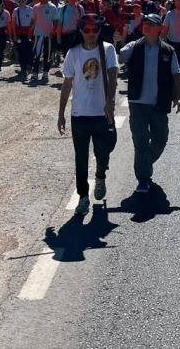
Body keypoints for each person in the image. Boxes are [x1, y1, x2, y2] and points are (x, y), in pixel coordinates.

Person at [57, 14, 118, 215]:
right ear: (81, 31)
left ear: (99, 31)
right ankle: (83, 197)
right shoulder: (73, 53)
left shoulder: (107, 50)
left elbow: (112, 76)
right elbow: (66, 85)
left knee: (102, 153)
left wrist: (109, 103)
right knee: (80, 158)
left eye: (95, 30)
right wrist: (61, 114)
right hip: (79, 114)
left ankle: (100, 176)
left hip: (101, 114)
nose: (91, 34)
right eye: (87, 30)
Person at [116, 14, 180, 193]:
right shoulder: (133, 46)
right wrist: (117, 42)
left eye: (151, 24)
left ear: (159, 29)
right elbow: (120, 59)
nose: (146, 26)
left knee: (160, 140)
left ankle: (143, 163)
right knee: (141, 141)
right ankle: (143, 178)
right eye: (145, 23)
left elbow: (177, 75)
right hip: (137, 102)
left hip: (159, 103)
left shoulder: (168, 51)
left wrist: (178, 95)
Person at [32, 0, 56, 80]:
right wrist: (30, 32)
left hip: (49, 35)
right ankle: (35, 72)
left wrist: (54, 31)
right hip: (38, 34)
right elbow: (33, 20)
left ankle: (45, 72)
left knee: (48, 54)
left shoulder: (52, 7)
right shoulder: (36, 7)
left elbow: (55, 20)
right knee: (36, 54)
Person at [11, 0, 35, 79]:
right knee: (21, 52)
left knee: (29, 51)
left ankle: (29, 66)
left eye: (23, 1)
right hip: (19, 33)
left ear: (26, 2)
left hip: (29, 32)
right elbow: (13, 23)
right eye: (19, 1)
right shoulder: (15, 10)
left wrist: (30, 32)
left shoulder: (30, 9)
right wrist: (14, 34)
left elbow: (33, 21)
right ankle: (23, 69)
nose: (21, 2)